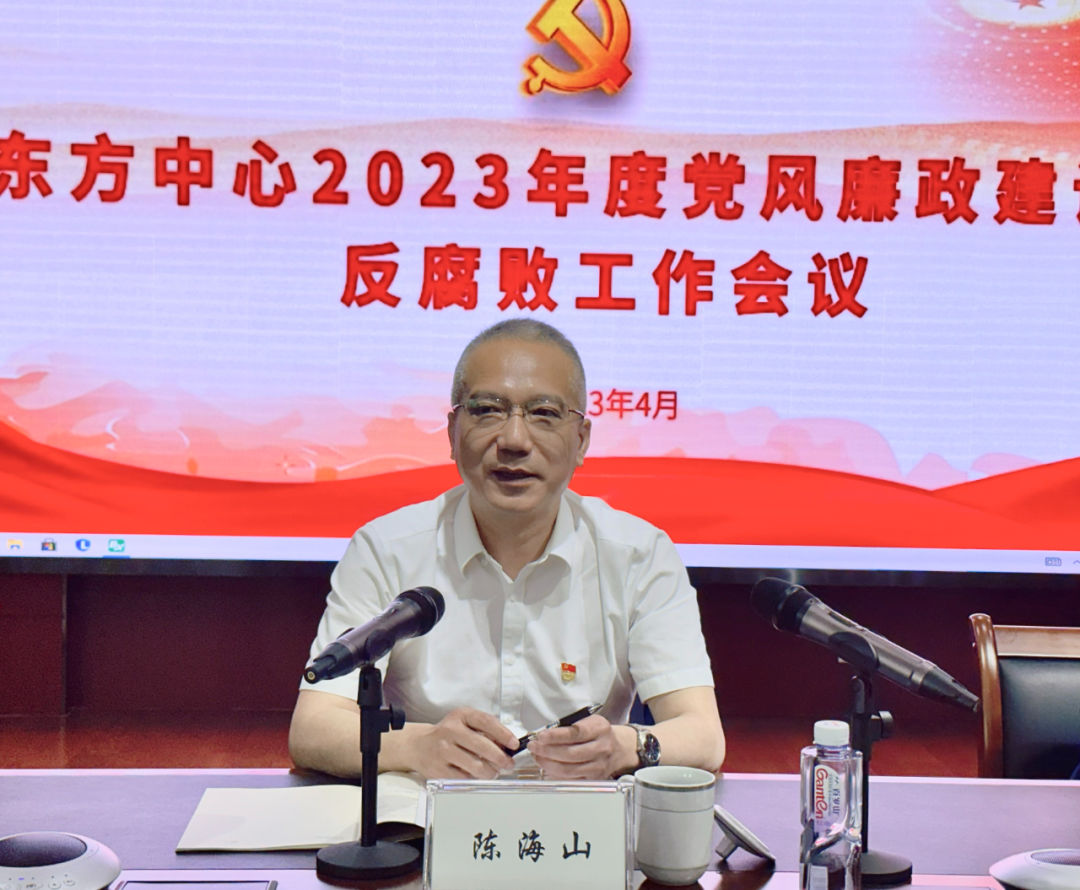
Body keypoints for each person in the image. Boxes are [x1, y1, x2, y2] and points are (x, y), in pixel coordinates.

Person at [289, 319, 724, 780]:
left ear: (581, 440)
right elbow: (313, 727)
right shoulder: (387, 548)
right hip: (426, 816)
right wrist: (417, 746)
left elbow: (703, 734)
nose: (514, 441)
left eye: (544, 413)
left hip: (580, 817)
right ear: (453, 432)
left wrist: (624, 746)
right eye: (487, 411)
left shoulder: (638, 555)